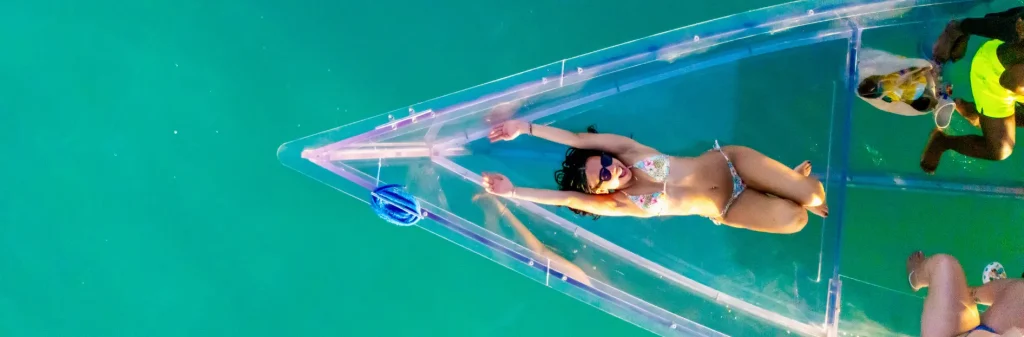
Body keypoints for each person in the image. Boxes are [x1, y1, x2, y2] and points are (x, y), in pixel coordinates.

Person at [480, 120, 828, 234]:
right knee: (796, 219)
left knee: (813, 197)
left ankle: (789, 180)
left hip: (730, 164)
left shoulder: (630, 151)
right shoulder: (621, 203)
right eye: (604, 176)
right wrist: (513, 192)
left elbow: (575, 140)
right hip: (728, 206)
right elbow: (569, 198)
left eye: (604, 161)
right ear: (601, 192)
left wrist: (524, 128)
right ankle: (779, 184)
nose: (611, 168)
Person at [921, 8, 1024, 173]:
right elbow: (1010, 81)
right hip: (993, 75)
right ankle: (942, 141)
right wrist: (960, 29)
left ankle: (978, 114)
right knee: (1000, 149)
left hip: (1012, 70)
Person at [906, 251, 1024, 337]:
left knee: (943, 265)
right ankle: (971, 294)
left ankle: (915, 278)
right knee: (1019, 289)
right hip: (985, 331)